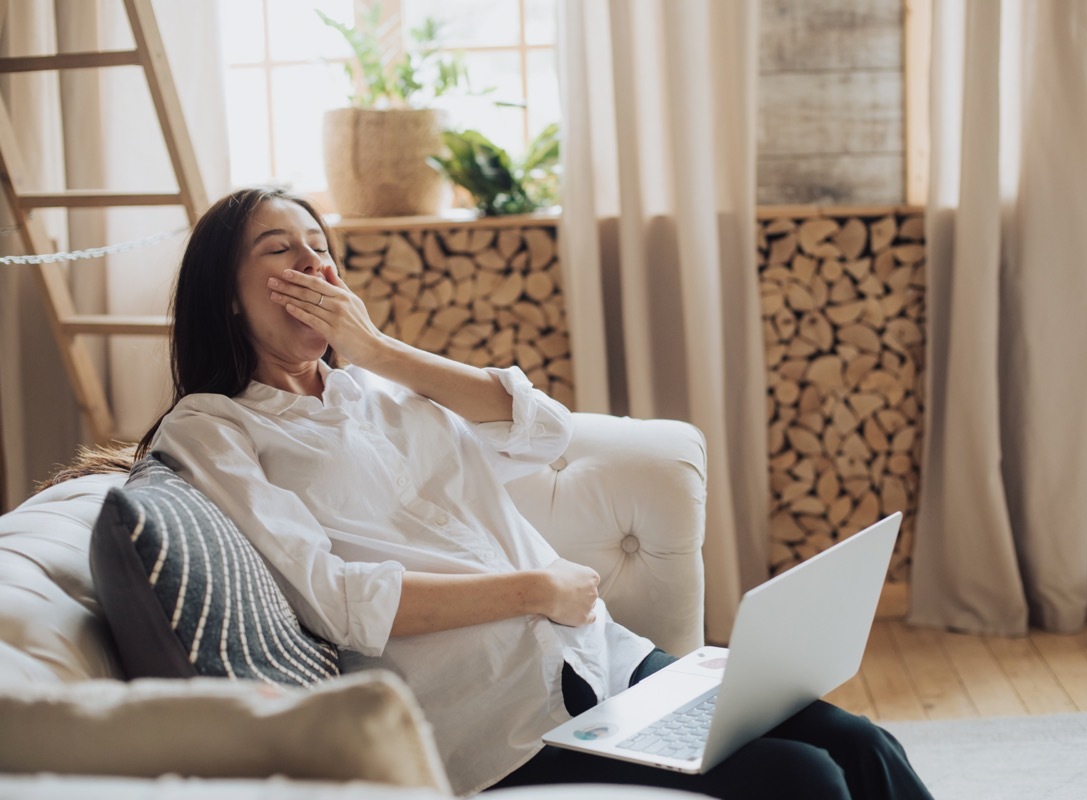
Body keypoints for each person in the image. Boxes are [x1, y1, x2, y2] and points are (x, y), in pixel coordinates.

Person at [140, 186, 933, 800]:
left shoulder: (378, 393)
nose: (316, 267)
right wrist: (534, 589)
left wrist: (377, 350)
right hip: (499, 723)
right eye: (283, 253)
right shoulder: (213, 429)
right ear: (226, 294)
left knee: (865, 746)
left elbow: (543, 431)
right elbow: (340, 600)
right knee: (804, 781)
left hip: (606, 662)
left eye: (322, 250)